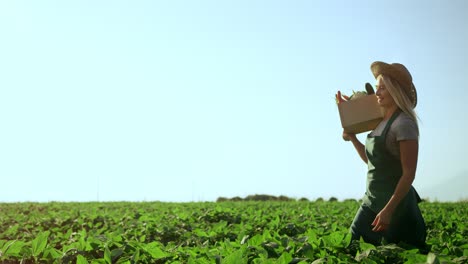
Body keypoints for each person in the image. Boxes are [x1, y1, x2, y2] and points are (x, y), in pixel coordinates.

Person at [341, 61, 427, 249]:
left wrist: (388, 210)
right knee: (352, 249)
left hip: (397, 209)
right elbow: (373, 163)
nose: (377, 93)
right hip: (372, 201)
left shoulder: (403, 124)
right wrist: (354, 139)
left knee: (404, 254)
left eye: (382, 88)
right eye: (377, 88)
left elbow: (409, 174)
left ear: (395, 91)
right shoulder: (381, 122)